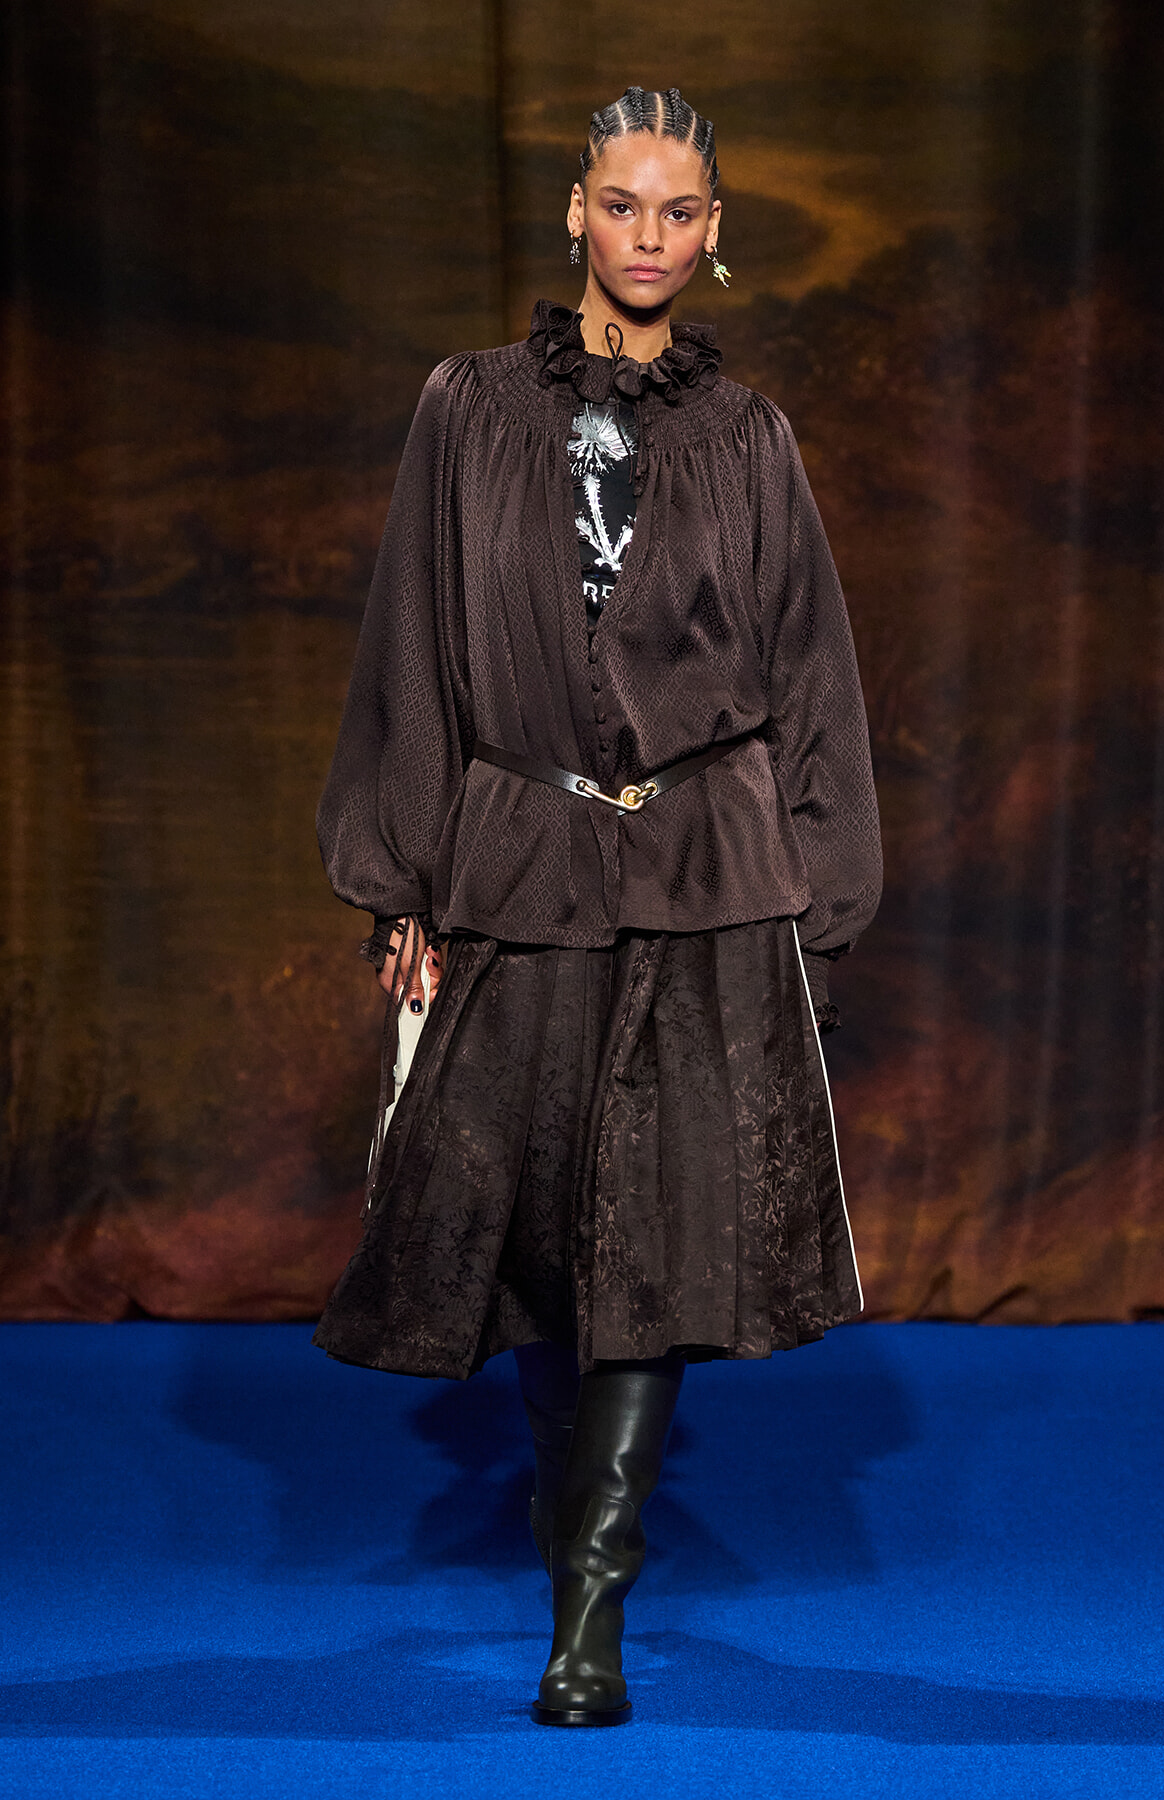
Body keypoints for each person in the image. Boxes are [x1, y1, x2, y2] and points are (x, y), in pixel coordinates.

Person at [313, 86, 882, 1727]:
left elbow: (810, 676)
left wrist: (823, 899)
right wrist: (399, 877)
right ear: (576, 212)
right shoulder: (468, 408)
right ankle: (574, 1531)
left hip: (708, 872)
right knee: (549, 1226)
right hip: (521, 860)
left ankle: (591, 1607)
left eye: (680, 211)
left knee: (656, 1224)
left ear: (719, 232)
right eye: (622, 205)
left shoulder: (748, 436)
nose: (649, 237)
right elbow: (411, 651)